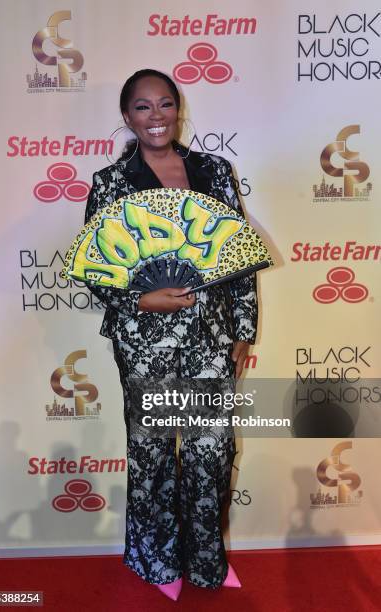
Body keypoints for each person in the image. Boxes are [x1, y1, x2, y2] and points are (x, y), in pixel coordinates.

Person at [84, 69, 258, 600]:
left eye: (165, 104)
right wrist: (141, 298)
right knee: (155, 453)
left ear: (177, 109)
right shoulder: (110, 183)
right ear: (127, 116)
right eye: (143, 107)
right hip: (143, 339)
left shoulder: (214, 170)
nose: (156, 116)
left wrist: (243, 329)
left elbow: (238, 258)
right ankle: (157, 562)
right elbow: (98, 267)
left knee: (210, 452)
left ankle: (206, 560)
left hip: (210, 335)